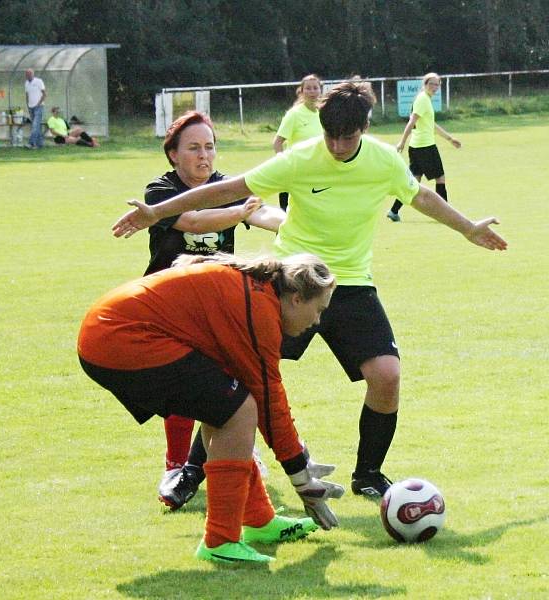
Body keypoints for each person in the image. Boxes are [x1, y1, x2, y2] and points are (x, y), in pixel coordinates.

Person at [112, 81, 508, 502]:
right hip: (289, 282)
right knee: (242, 374)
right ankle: (191, 471)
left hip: (351, 282)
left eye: (347, 137)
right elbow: (231, 189)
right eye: (330, 136)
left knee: (387, 376)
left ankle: (369, 474)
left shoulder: (383, 161)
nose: (337, 146)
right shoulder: (302, 159)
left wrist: (468, 228)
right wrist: (156, 211)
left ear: (365, 127)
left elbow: (419, 196)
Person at [77, 252, 345, 563]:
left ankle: (258, 521)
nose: (317, 321)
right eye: (319, 309)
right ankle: (220, 541)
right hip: (118, 339)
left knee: (227, 407)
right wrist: (300, 476)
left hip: (107, 331)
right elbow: (269, 400)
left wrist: (298, 462)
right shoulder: (260, 310)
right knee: (239, 410)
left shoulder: (260, 293)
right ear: (297, 299)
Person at [143, 110, 285, 511]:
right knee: (182, 386)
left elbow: (262, 212)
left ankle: (231, 454)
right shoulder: (160, 191)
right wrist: (239, 212)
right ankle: (175, 464)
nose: (203, 156)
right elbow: (189, 220)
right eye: (193, 148)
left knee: (235, 382)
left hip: (220, 304)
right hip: (169, 304)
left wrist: (289, 223)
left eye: (209, 147)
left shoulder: (226, 187)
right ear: (173, 154)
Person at [387, 72, 461, 222]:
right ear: (425, 84)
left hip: (417, 147)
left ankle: (393, 211)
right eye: (431, 84)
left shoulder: (425, 99)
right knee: (440, 178)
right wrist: (402, 141)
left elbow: (430, 125)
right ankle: (445, 214)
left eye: (437, 84)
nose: (434, 87)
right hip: (425, 147)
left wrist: (449, 138)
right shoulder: (423, 100)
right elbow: (411, 121)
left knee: (413, 181)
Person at [273, 74, 324, 211]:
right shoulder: (294, 114)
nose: (312, 92)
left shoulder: (323, 114)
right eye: (308, 88)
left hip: (318, 171)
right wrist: (283, 164)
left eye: (315, 88)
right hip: (296, 171)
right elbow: (277, 142)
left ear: (320, 90)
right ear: (301, 92)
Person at [24, 69, 46, 150]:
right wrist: (28, 105)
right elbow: (27, 95)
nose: (28, 76)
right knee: (37, 127)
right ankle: (40, 144)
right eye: (27, 74)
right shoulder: (26, 83)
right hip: (31, 107)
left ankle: (31, 143)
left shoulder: (39, 81)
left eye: (30, 74)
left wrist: (39, 103)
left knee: (35, 125)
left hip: (38, 107)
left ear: (33, 74)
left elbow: (44, 94)